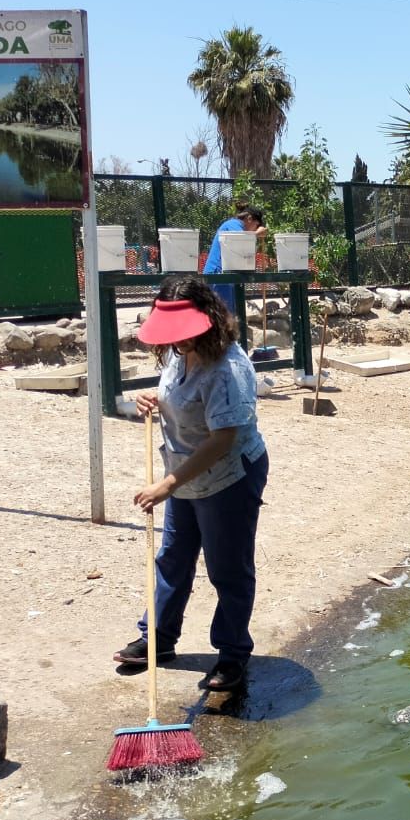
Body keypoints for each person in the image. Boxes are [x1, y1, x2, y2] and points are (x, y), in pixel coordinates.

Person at [114, 276, 269, 692]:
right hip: (184, 472)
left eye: (183, 338)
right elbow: (182, 399)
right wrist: (152, 400)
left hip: (227, 475)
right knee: (173, 557)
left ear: (208, 321)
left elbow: (223, 439)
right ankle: (159, 640)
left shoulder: (229, 369)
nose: (177, 345)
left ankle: (233, 654)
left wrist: (166, 484)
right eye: (172, 339)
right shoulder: (180, 356)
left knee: (228, 568)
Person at [203, 201, 267, 313]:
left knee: (228, 314)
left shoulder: (237, 227)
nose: (254, 229)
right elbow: (240, 241)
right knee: (223, 316)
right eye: (256, 225)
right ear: (249, 219)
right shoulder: (233, 225)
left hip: (225, 276)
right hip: (218, 275)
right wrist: (256, 233)